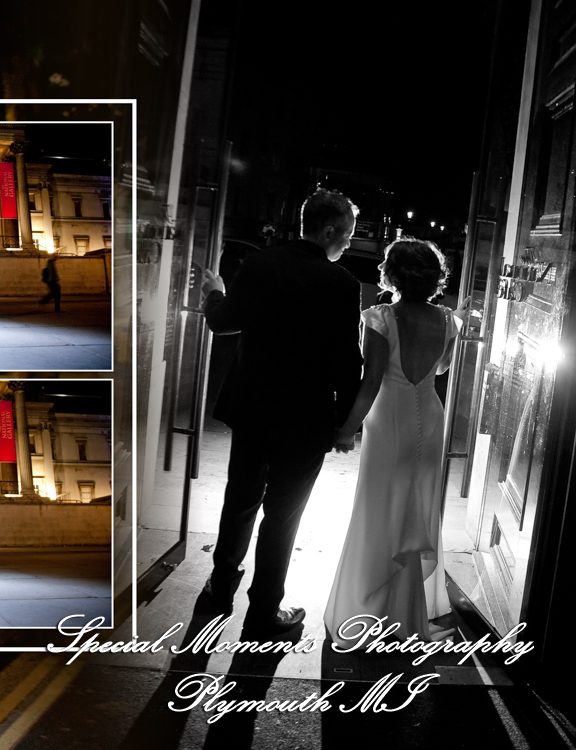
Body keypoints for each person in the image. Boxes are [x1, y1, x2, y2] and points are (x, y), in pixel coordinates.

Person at [192, 189, 363, 640]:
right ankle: (264, 611)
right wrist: (347, 423)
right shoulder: (343, 284)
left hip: (253, 407)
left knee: (239, 502)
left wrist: (214, 293)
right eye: (347, 235)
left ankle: (220, 590)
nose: (348, 243)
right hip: (306, 419)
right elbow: (347, 362)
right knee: (283, 517)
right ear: (329, 230)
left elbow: (223, 322)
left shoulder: (260, 263)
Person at [325, 239, 463, 643]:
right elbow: (441, 368)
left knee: (379, 513)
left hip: (389, 421)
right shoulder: (449, 321)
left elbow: (371, 381)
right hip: (430, 420)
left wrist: (347, 429)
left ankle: (370, 609)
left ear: (393, 275)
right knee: (415, 512)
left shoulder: (381, 318)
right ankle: (406, 615)